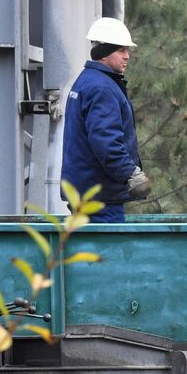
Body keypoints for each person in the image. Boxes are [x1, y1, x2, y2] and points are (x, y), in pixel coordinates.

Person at [61, 18, 151, 223]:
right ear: (103, 53)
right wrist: (131, 173)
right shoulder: (102, 88)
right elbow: (106, 142)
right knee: (107, 244)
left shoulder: (87, 80)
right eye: (121, 50)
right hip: (100, 198)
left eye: (127, 50)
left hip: (86, 192)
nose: (127, 56)